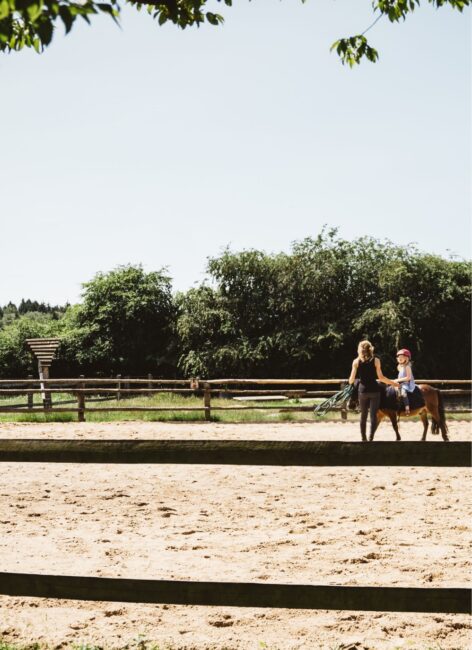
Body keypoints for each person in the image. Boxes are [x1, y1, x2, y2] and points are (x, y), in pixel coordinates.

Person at [348, 340, 398, 442]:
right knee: (373, 415)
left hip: (362, 391)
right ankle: (371, 438)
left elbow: (351, 380)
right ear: (371, 349)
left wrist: (354, 380)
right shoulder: (376, 360)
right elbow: (381, 378)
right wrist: (393, 383)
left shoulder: (356, 362)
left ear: (360, 350)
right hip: (374, 391)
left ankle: (363, 438)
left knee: (363, 416)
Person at [396, 348, 416, 416]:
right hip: (401, 383)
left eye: (402, 357)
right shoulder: (399, 367)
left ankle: (407, 408)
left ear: (406, 358)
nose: (400, 358)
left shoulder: (407, 367)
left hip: (407, 384)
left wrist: (398, 380)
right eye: (399, 357)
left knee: (403, 392)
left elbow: (408, 378)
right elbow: (400, 376)